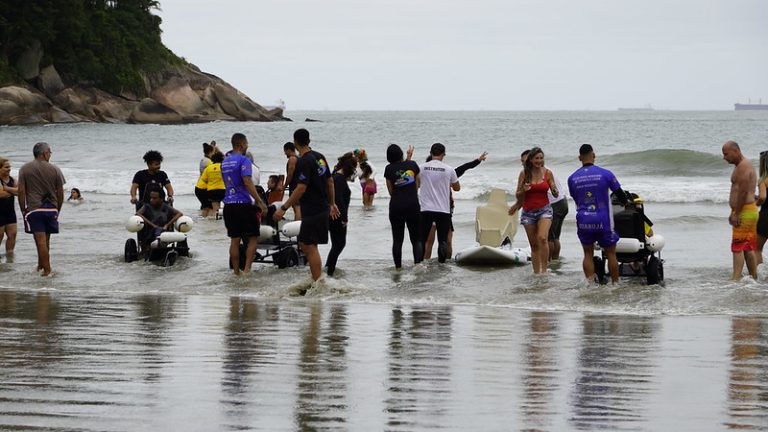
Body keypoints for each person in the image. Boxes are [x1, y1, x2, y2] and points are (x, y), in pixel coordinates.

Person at [273, 129, 340, 282]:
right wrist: (332, 203)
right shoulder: (320, 157)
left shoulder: (304, 160)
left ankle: (318, 282)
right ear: (309, 140)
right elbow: (329, 182)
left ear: (295, 142)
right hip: (321, 207)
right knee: (306, 243)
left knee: (309, 246)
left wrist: (283, 208)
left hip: (313, 208)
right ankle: (316, 278)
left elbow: (301, 188)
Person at [568, 144, 629, 284]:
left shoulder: (572, 178)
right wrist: (626, 203)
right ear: (594, 155)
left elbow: (576, 198)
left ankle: (590, 284)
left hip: (583, 219)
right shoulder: (605, 173)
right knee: (611, 253)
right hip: (603, 220)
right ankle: (615, 284)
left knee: (588, 254)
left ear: (579, 158)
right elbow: (620, 194)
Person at [423, 151, 487, 259]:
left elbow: (464, 167)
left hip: (445, 209)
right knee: (429, 240)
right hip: (429, 209)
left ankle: (446, 264)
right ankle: (425, 263)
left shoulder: (447, 173)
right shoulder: (424, 174)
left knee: (448, 240)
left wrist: (478, 160)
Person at [221, 133, 268, 275]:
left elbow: (227, 183)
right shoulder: (244, 160)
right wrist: (260, 202)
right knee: (253, 237)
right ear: (241, 145)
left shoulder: (225, 162)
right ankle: (247, 270)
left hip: (229, 204)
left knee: (234, 240)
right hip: (244, 204)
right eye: (246, 144)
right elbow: (247, 181)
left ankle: (236, 272)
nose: (247, 146)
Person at [17, 142, 65, 276]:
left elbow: (21, 191)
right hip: (51, 209)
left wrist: (23, 209)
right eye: (50, 152)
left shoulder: (25, 169)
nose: (50, 155)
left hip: (35, 208)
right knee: (46, 240)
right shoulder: (55, 169)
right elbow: (60, 193)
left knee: (40, 241)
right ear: (45, 153)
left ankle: (47, 270)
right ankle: (41, 266)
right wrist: (57, 209)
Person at [508, 147, 558, 274]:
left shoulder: (548, 173)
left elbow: (555, 192)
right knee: (534, 245)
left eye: (541, 158)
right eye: (536, 158)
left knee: (542, 238)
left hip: (545, 210)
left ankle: (544, 270)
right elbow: (518, 195)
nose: (539, 161)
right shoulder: (524, 174)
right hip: (528, 212)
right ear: (530, 160)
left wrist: (554, 190)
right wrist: (523, 190)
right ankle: (537, 273)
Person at [517, 149, 569, 261]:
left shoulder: (542, 171)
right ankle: (554, 261)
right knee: (554, 237)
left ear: (529, 159)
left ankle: (549, 261)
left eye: (524, 161)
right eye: (522, 161)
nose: (523, 163)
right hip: (561, 202)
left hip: (554, 204)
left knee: (548, 237)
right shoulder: (534, 171)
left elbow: (551, 191)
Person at [722, 140, 758, 280]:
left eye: (726, 154)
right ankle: (753, 278)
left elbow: (742, 192)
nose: (724, 157)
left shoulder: (743, 166)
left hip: (743, 211)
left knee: (737, 247)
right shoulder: (744, 165)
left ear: (735, 151)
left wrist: (736, 213)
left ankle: (735, 279)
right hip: (748, 210)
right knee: (747, 247)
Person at [419, 143, 459, 263]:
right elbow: (457, 188)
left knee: (423, 240)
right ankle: (442, 265)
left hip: (426, 209)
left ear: (430, 153)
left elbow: (415, 184)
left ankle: (420, 263)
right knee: (443, 240)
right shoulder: (449, 169)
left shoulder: (421, 168)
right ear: (443, 154)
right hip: (443, 210)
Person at [384, 144, 422, 269]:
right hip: (412, 204)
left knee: (397, 240)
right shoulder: (413, 165)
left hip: (396, 206)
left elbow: (390, 191)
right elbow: (418, 184)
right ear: (401, 154)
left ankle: (398, 268)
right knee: (416, 239)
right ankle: (417, 266)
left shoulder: (388, 169)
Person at [326, 152, 357, 277]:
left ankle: (328, 269)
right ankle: (329, 271)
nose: (355, 171)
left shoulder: (336, 177)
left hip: (334, 215)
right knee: (339, 244)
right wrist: (344, 218)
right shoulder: (339, 179)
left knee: (337, 244)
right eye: (354, 168)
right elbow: (338, 200)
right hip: (337, 216)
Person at [136, 186, 183, 256]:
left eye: (154, 198)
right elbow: (138, 214)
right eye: (151, 198)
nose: (151, 200)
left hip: (164, 232)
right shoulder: (146, 207)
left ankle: (161, 244)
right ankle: (155, 244)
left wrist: (167, 225)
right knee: (157, 231)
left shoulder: (166, 206)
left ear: (161, 199)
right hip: (150, 233)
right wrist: (152, 225)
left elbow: (179, 213)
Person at [0, 157, 18, 256]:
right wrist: (13, 191)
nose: (9, 169)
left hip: (10, 212)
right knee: (0, 235)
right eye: (6, 167)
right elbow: (1, 194)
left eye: (9, 166)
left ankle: (9, 259)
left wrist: (6, 189)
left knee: (13, 235)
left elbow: (20, 191)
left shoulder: (12, 179)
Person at [201, 151, 225, 217]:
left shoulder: (208, 168)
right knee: (227, 206)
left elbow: (204, 180)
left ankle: (215, 221)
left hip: (212, 191)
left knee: (215, 208)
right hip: (222, 189)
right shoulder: (223, 167)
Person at [281, 142, 301, 220]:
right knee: (299, 206)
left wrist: (284, 186)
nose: (285, 153)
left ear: (288, 150)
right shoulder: (300, 158)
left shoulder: (292, 159)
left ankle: (298, 226)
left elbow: (290, 175)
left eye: (285, 151)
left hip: (295, 186)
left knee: (297, 206)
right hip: (300, 185)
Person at [756, 152, 768, 265]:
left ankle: (756, 278)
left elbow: (763, 197)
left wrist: (757, 202)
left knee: (757, 249)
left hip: (766, 217)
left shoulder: (763, 180)